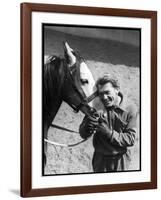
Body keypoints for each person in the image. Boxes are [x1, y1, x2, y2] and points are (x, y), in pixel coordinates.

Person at [79, 74, 138, 172]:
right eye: (101, 93)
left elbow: (131, 139)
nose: (104, 97)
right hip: (100, 160)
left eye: (107, 92)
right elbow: (83, 134)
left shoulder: (130, 109)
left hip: (120, 160)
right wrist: (87, 126)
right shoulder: (96, 106)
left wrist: (108, 133)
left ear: (117, 90)